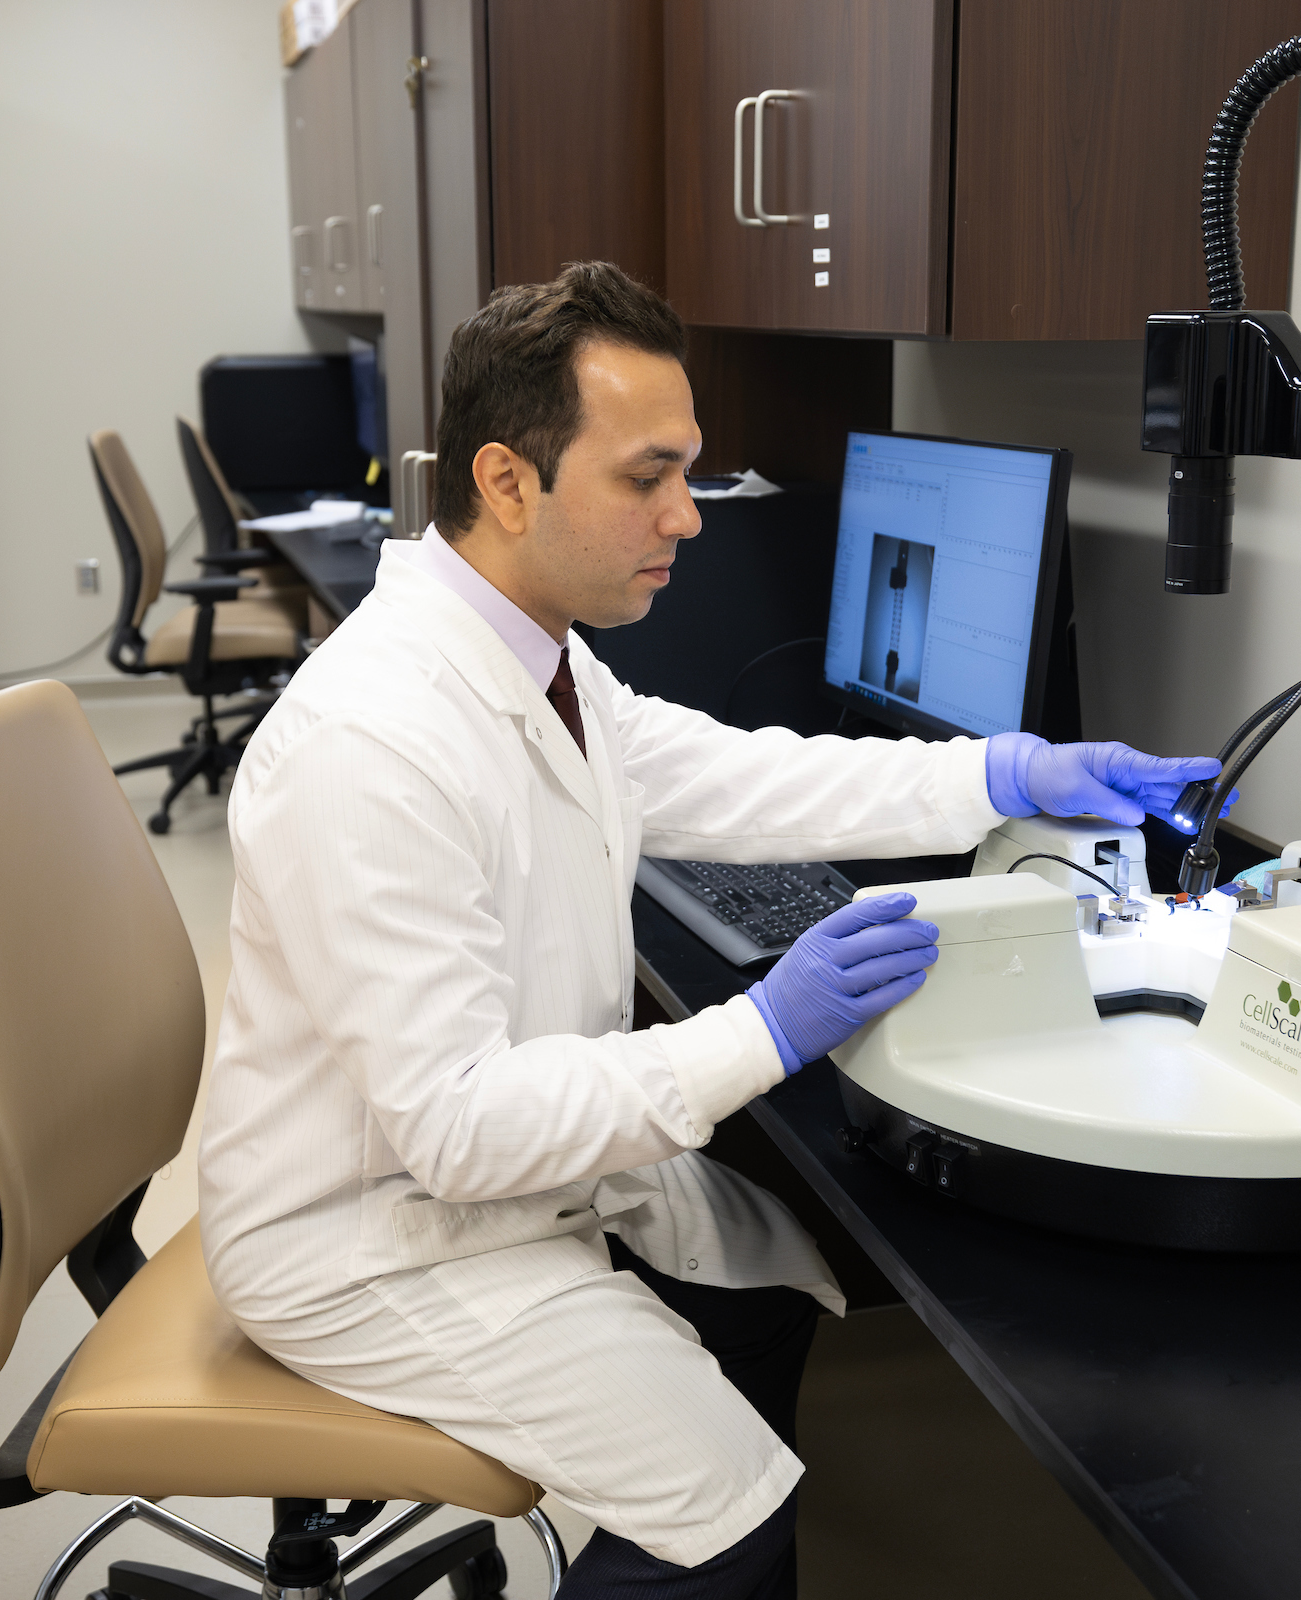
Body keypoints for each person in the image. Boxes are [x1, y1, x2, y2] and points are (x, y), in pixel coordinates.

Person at [199, 262, 1221, 1598]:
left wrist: (1006, 771)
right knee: (727, 1518)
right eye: (649, 477)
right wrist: (763, 1029)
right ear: (507, 483)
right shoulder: (370, 743)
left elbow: (740, 776)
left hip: (490, 1175)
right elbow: (455, 1131)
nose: (687, 515)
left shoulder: (535, 653)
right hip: (369, 1233)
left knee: (762, 1291)